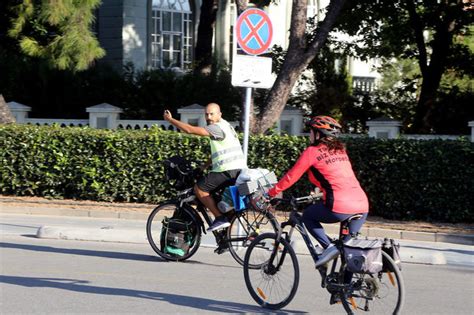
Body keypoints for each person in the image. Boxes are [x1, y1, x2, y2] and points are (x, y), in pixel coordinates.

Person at [267, 115, 369, 268]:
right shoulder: (341, 151)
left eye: (311, 131)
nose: (310, 135)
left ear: (319, 134)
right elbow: (337, 178)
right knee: (348, 250)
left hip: (340, 206)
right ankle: (345, 290)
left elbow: (291, 177)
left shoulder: (312, 152)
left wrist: (270, 193)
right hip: (362, 205)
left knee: (308, 215)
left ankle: (328, 247)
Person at [164, 103, 247, 232]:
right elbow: (221, 152)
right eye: (206, 114)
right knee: (220, 200)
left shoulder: (216, 128)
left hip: (227, 170)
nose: (208, 117)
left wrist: (170, 120)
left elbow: (190, 130)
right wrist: (204, 166)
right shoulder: (226, 126)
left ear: (220, 114)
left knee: (200, 189)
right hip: (237, 170)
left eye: (211, 114)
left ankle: (219, 218)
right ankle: (226, 238)